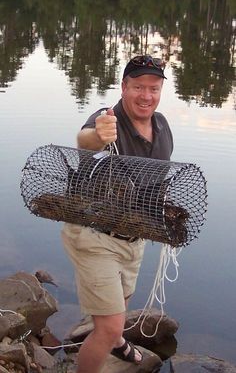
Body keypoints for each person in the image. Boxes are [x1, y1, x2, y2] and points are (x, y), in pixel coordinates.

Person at [61, 54, 173, 373]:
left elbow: (157, 182)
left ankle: (117, 342)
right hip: (93, 234)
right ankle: (108, 340)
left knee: (122, 299)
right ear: (124, 86)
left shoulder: (162, 126)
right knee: (109, 325)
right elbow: (85, 141)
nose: (146, 95)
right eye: (138, 86)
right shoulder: (107, 118)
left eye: (153, 88)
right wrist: (98, 135)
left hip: (132, 234)